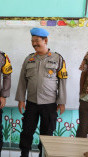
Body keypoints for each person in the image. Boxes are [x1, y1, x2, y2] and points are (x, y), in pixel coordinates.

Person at [15, 27, 67, 157]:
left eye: (37, 40)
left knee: (47, 134)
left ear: (45, 40)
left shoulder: (58, 58)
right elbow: (22, 81)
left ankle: (43, 155)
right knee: (26, 132)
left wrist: (61, 102)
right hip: (31, 103)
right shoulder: (29, 59)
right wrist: (21, 99)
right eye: (32, 41)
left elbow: (62, 81)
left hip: (49, 104)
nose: (34, 44)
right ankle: (24, 154)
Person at [76, 52, 88, 138]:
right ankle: (79, 151)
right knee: (83, 129)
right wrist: (81, 93)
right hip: (85, 99)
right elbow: (83, 74)